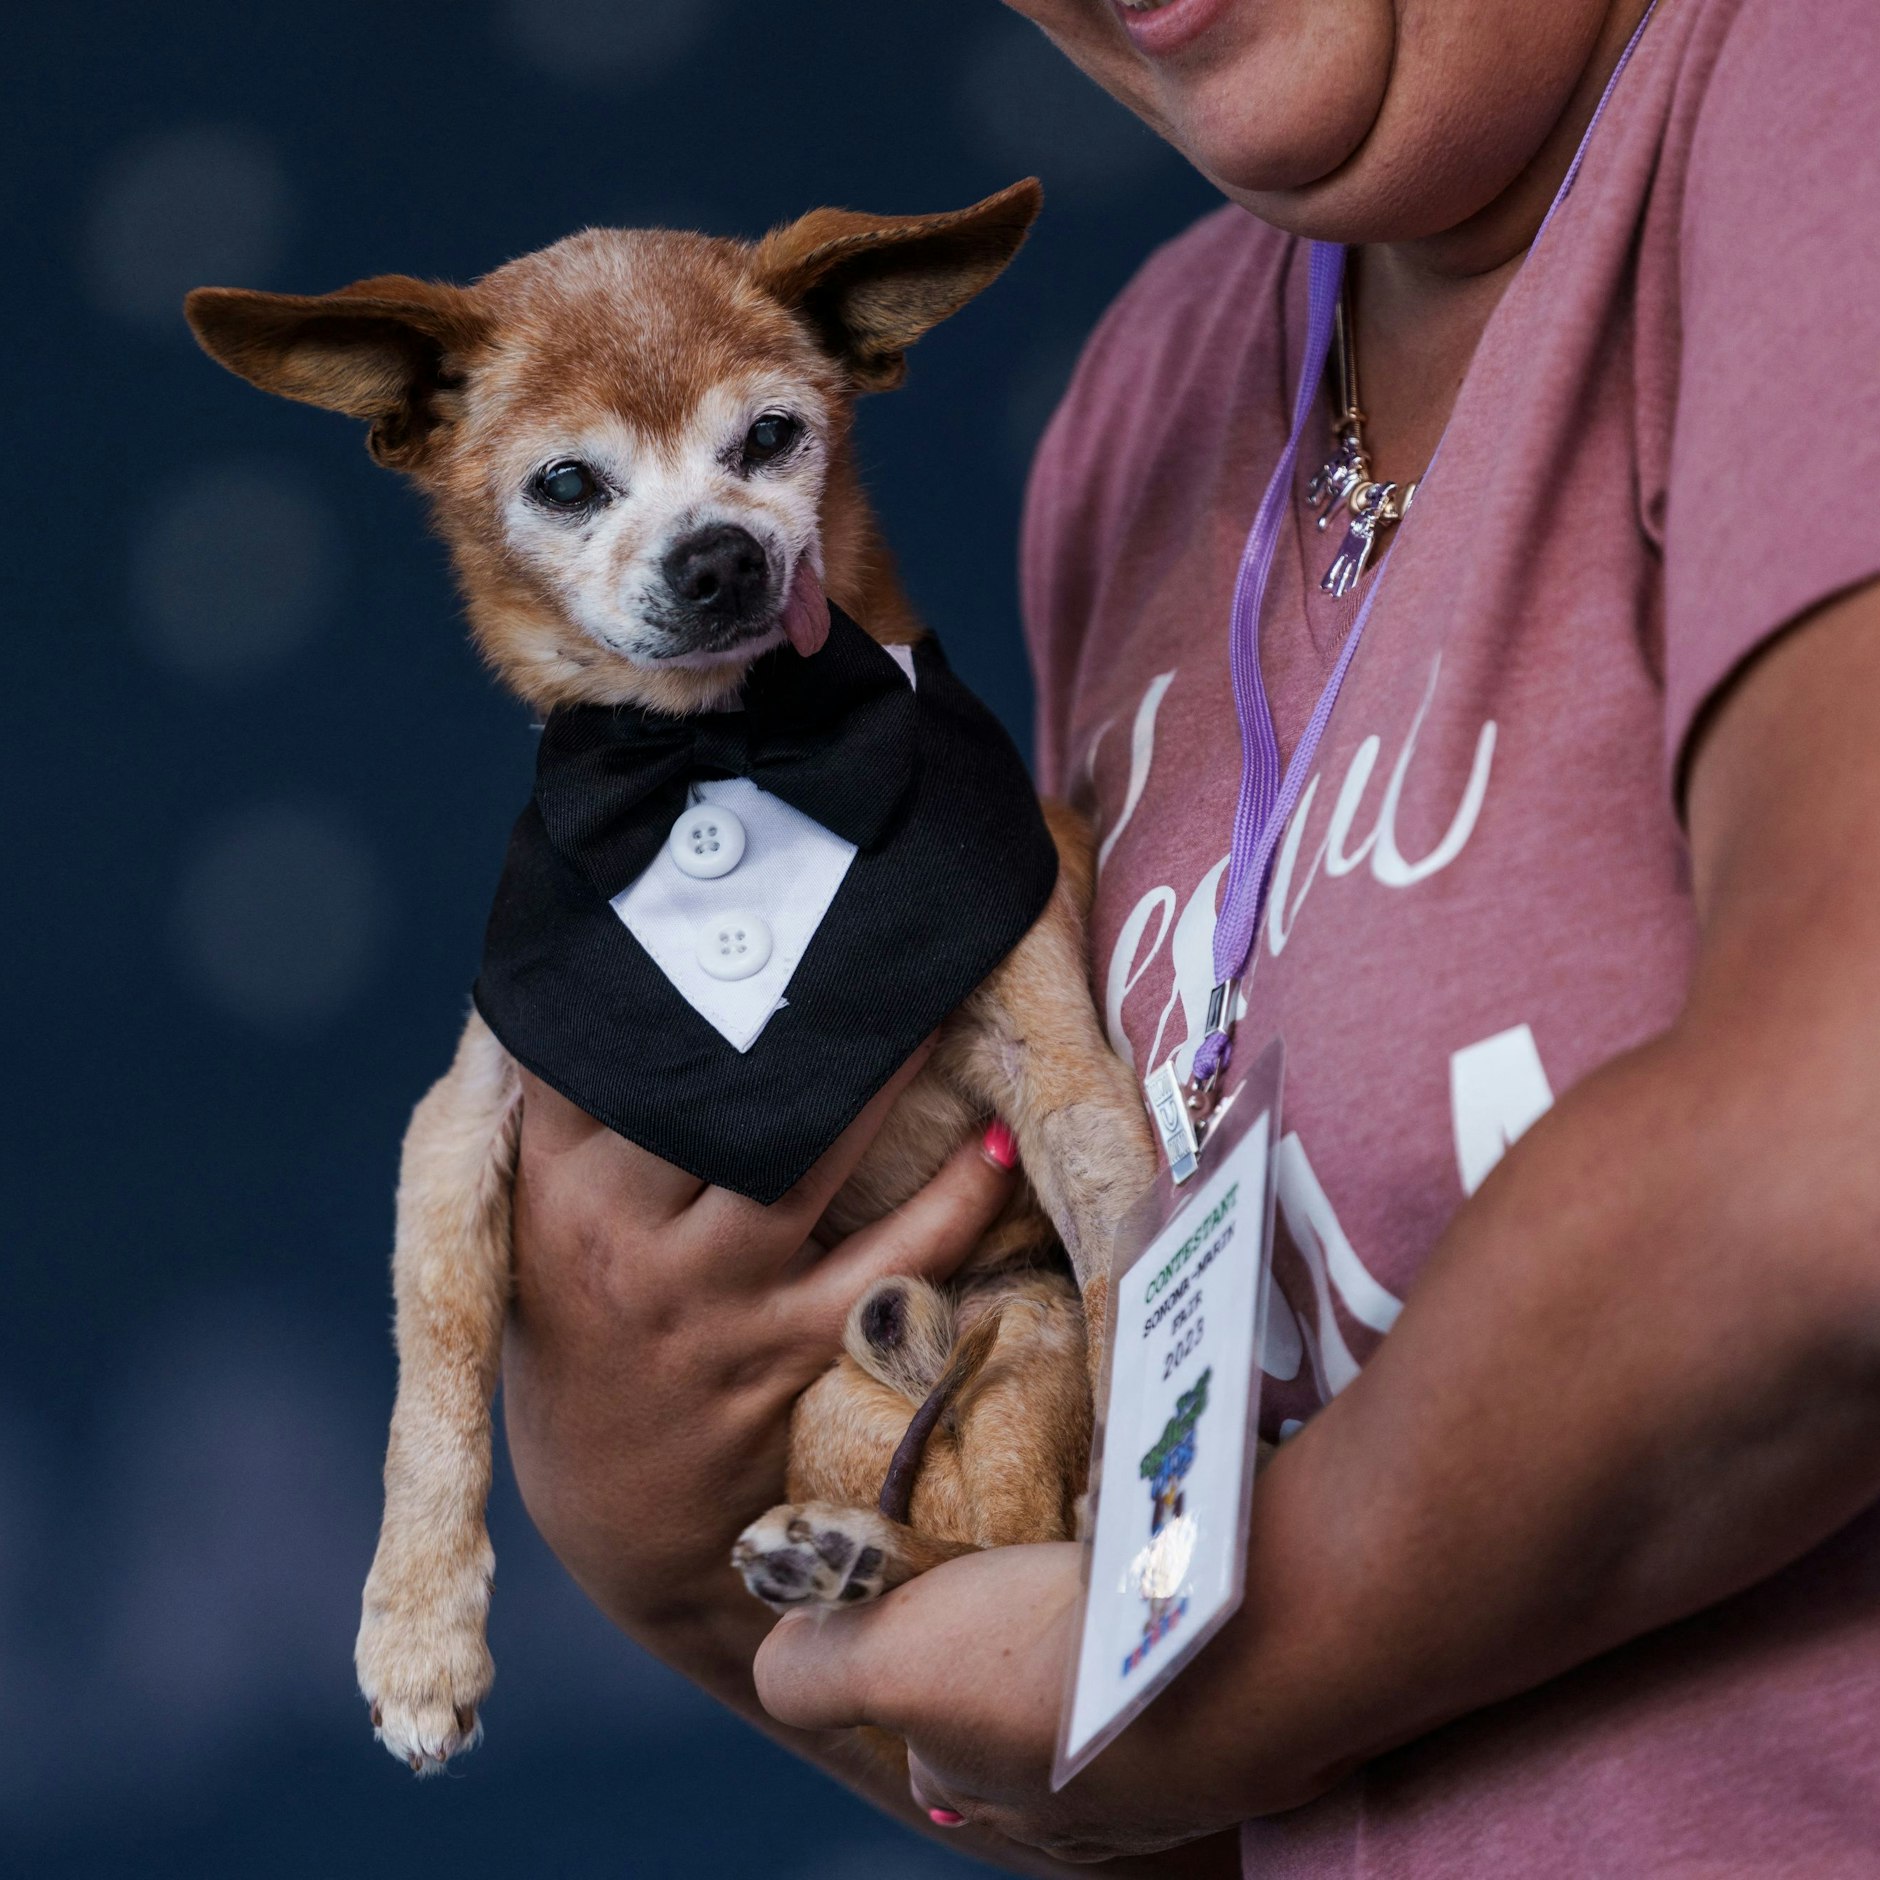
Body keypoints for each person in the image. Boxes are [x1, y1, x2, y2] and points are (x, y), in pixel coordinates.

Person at [503, 0, 1880, 1871]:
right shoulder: (1154, 402)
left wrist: (1240, 1662)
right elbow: (1213, 1811)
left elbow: (1840, 1153)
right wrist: (666, 1544)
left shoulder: (1817, 87)